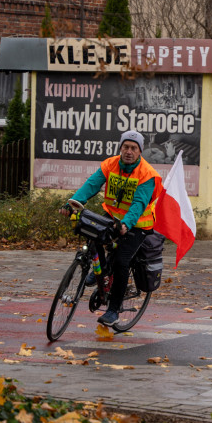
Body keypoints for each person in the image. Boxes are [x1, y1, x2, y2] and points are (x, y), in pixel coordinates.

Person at [67, 130, 162, 327]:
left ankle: (113, 310)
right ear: (120, 148)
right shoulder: (110, 164)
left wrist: (126, 224)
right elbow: (91, 185)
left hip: (138, 224)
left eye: (133, 148)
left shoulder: (147, 174)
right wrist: (73, 203)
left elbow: (139, 203)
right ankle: (101, 270)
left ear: (140, 152)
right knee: (92, 234)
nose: (129, 151)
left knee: (121, 261)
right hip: (113, 216)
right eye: (125, 147)